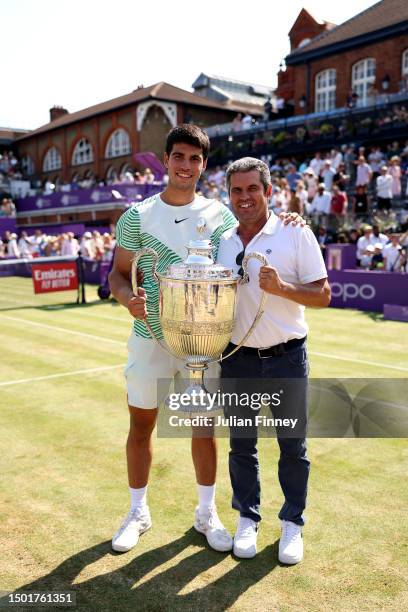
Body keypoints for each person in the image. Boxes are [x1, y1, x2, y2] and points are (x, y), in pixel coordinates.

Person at [108, 124, 303, 555]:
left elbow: (258, 227)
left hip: (204, 344)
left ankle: (205, 512)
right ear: (166, 160)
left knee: (203, 427)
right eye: (179, 156)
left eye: (195, 159)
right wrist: (128, 299)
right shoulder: (136, 216)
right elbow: (118, 274)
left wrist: (291, 217)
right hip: (150, 336)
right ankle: (138, 511)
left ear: (203, 165)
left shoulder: (222, 215)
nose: (186, 165)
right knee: (141, 425)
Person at [217, 157, 330, 563]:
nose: (244, 197)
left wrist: (282, 287)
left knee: (291, 446)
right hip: (238, 359)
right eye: (236, 190)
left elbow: (322, 295)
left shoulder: (294, 232)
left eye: (252, 189)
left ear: (268, 191)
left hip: (286, 357)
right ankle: (247, 517)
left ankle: (292, 524)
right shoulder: (223, 240)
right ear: (228, 194)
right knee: (241, 446)